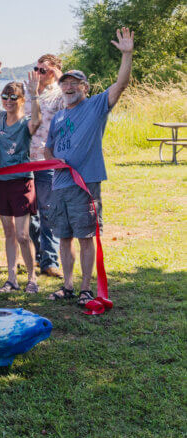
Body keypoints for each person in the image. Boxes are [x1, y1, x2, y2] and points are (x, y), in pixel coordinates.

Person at [45, 28, 133, 307]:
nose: (69, 87)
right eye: (65, 83)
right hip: (60, 185)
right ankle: (68, 286)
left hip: (85, 185)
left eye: (75, 83)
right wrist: (52, 160)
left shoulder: (96, 106)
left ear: (85, 87)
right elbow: (49, 147)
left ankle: (85, 288)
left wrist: (127, 55)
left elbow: (120, 85)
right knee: (64, 236)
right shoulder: (58, 117)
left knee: (85, 236)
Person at [0, 66, 43, 294]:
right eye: (5, 97)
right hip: (0, 182)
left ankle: (32, 278)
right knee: (8, 233)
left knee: (23, 235)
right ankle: (11, 279)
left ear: (22, 100)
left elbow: (36, 122)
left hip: (22, 183)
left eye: (12, 97)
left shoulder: (26, 121)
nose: (7, 101)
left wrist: (35, 93)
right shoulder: (0, 117)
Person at [25, 54, 66, 277]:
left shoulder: (60, 94)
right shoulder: (27, 90)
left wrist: (58, 75)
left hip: (47, 160)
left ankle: (51, 261)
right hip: (23, 161)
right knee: (30, 214)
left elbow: (76, 102)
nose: (39, 73)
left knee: (49, 211)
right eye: (36, 68)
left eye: (44, 70)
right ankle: (39, 255)